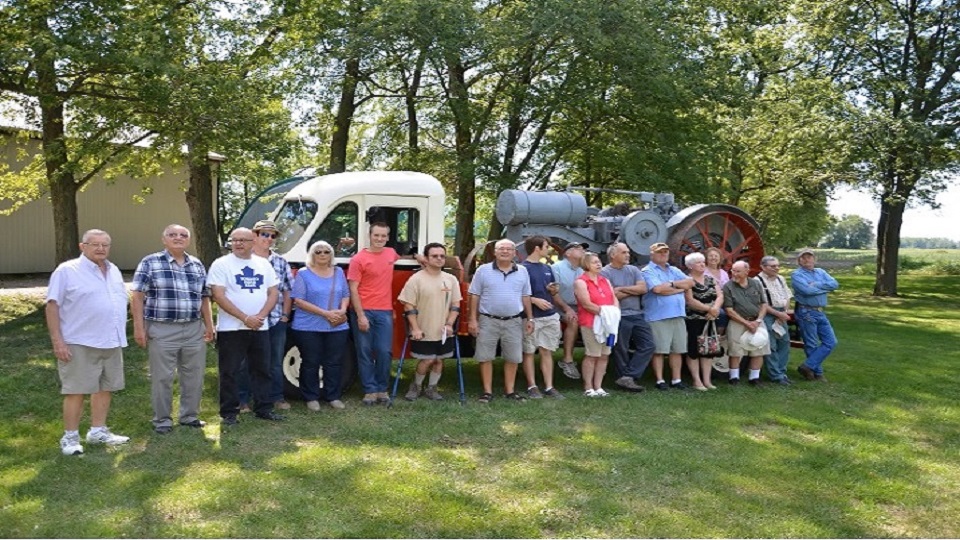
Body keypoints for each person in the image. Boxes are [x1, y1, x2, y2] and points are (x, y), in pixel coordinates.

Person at [46, 229, 130, 455]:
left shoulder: (113, 270)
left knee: (105, 388)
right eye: (95, 244)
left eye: (105, 245)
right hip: (79, 341)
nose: (100, 248)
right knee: (76, 390)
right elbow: (52, 305)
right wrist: (58, 342)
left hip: (111, 340)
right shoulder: (67, 271)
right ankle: (70, 438)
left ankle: (98, 431)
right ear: (83, 246)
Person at [131, 224, 215, 435]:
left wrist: (209, 325)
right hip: (161, 329)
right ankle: (162, 420)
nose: (178, 238)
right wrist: (139, 328)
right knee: (162, 377)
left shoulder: (196, 264)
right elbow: (137, 296)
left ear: (188, 239)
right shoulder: (150, 262)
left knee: (194, 375)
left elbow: (204, 297)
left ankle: (189, 416)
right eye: (173, 235)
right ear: (164, 239)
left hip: (194, 328)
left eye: (183, 235)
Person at [207, 227, 282, 425]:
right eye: (235, 240)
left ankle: (264, 408)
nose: (239, 243)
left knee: (262, 369)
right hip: (231, 328)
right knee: (229, 371)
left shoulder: (263, 264)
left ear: (253, 242)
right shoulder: (221, 264)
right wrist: (244, 317)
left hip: (260, 327)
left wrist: (260, 316)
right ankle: (229, 412)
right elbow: (218, 295)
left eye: (243, 240)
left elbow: (273, 292)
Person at [467, 238, 534, 403]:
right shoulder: (483, 270)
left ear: (514, 253)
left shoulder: (523, 271)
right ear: (494, 252)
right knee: (485, 356)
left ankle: (510, 391)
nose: (505, 252)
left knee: (513, 357)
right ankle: (487, 392)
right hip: (488, 320)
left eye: (508, 249)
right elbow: (474, 295)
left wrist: (530, 318)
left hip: (514, 321)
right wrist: (472, 320)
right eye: (501, 249)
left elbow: (526, 296)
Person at [398, 242, 463, 401]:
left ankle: (432, 388)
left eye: (442, 256)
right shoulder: (416, 279)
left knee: (439, 361)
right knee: (427, 360)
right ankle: (416, 386)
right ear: (426, 258)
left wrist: (449, 324)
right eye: (434, 256)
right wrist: (415, 328)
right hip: (423, 329)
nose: (439, 259)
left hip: (443, 331)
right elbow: (408, 305)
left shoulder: (451, 279)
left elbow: (456, 304)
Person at [290, 240, 351, 410]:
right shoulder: (303, 273)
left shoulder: (338, 272)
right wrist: (325, 313)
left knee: (334, 362)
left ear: (331, 254)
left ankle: (333, 396)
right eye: (318, 252)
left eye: (326, 251)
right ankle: (311, 397)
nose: (323, 255)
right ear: (312, 254)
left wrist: (342, 310)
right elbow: (299, 300)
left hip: (336, 326)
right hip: (308, 327)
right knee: (311, 362)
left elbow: (346, 294)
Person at [348, 222, 400, 406]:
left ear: (388, 237)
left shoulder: (390, 253)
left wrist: (420, 257)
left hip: (384, 310)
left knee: (384, 351)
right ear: (369, 235)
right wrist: (360, 315)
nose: (380, 239)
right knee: (364, 352)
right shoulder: (358, 259)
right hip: (363, 311)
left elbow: (404, 256)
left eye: (383, 236)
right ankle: (369, 390)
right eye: (376, 235)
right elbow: (353, 290)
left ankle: (382, 389)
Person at [246, 219, 294, 411]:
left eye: (272, 235)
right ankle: (244, 399)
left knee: (274, 361)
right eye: (264, 234)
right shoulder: (243, 259)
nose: (269, 238)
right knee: (247, 360)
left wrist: (285, 316)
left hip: (275, 319)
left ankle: (276, 397)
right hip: (248, 320)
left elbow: (288, 290)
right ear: (254, 236)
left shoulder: (281, 262)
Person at [600, 242, 652, 392]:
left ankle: (628, 376)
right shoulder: (605, 273)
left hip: (637, 314)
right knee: (620, 348)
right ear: (613, 255)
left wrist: (622, 289)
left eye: (628, 252)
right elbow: (610, 295)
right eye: (624, 252)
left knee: (648, 345)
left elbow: (643, 288)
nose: (627, 255)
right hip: (618, 315)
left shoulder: (633, 269)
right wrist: (632, 290)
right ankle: (624, 379)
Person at [641, 242, 694, 390]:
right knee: (659, 350)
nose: (663, 255)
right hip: (658, 316)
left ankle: (676, 380)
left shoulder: (674, 269)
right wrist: (678, 288)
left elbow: (690, 283)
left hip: (677, 314)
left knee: (677, 350)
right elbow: (657, 289)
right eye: (659, 252)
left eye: (665, 252)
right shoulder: (648, 271)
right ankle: (660, 380)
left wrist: (670, 284)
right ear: (652, 254)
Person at [519, 236, 565, 399]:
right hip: (531, 317)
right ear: (537, 248)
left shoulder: (547, 268)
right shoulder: (522, 268)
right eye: (546, 246)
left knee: (547, 351)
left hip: (550, 316)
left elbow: (553, 291)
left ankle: (549, 387)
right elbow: (516, 293)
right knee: (529, 352)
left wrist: (552, 290)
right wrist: (534, 300)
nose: (548, 249)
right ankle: (532, 386)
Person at [790, 248, 839, 382]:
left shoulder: (821, 272)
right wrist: (824, 288)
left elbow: (835, 284)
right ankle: (817, 374)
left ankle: (807, 366)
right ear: (799, 261)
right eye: (803, 258)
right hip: (806, 312)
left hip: (820, 311)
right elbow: (806, 291)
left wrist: (816, 284)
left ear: (814, 259)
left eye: (809, 257)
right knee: (811, 343)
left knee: (831, 342)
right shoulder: (796, 275)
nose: (807, 260)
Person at [575, 251, 619, 397]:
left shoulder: (605, 280)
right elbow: (586, 304)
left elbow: (614, 298)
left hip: (609, 324)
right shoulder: (581, 282)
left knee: (604, 355)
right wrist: (605, 313)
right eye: (594, 262)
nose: (599, 264)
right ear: (586, 264)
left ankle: (599, 386)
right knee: (592, 354)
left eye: (599, 261)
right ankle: (588, 387)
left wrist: (614, 314)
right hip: (591, 322)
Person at [722, 261, 769, 385]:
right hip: (737, 321)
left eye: (737, 271)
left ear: (746, 272)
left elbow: (764, 304)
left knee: (759, 349)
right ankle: (734, 378)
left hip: (756, 320)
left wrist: (758, 321)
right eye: (733, 271)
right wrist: (747, 324)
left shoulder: (756, 284)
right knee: (735, 350)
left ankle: (754, 378)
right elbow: (729, 310)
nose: (734, 274)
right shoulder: (728, 286)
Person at [683, 252, 724, 391]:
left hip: (711, 319)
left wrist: (715, 309)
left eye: (702, 262)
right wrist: (708, 309)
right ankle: (696, 380)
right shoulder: (687, 280)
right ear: (690, 266)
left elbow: (719, 295)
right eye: (698, 262)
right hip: (694, 319)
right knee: (694, 350)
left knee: (708, 350)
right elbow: (690, 301)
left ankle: (707, 380)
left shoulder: (710, 279)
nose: (702, 264)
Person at [551, 241, 588, 380]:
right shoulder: (556, 268)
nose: (583, 250)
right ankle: (567, 360)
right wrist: (567, 309)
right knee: (573, 320)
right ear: (568, 253)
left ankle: (595, 361)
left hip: (579, 307)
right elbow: (553, 293)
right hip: (559, 306)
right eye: (579, 248)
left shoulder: (583, 270)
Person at [757, 255, 794, 385]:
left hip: (781, 313)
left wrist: (783, 313)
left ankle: (782, 372)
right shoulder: (757, 281)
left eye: (777, 266)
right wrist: (778, 314)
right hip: (767, 314)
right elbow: (762, 304)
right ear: (763, 267)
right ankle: (775, 375)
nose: (776, 268)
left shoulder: (781, 279)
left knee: (784, 342)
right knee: (771, 346)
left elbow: (787, 296)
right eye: (773, 266)